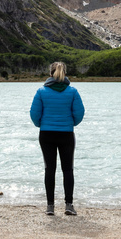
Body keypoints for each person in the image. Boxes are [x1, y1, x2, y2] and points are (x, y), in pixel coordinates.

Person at [29, 61, 84, 216]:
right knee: (67, 169)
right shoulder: (72, 91)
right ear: (64, 73)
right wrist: (70, 123)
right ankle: (68, 205)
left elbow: (34, 115)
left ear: (50, 73)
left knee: (49, 169)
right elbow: (79, 114)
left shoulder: (41, 91)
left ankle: (50, 207)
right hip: (66, 134)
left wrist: (42, 124)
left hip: (46, 134)